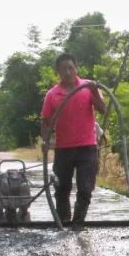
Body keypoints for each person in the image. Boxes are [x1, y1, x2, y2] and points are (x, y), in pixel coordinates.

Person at [40, 53, 106, 230]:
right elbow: (46, 121)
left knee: (85, 187)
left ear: (76, 68)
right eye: (63, 69)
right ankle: (64, 223)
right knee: (62, 189)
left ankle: (78, 224)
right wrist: (44, 141)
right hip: (63, 149)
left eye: (71, 68)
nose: (68, 72)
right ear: (58, 72)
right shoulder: (52, 94)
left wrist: (94, 92)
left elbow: (103, 109)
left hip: (87, 147)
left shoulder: (88, 87)